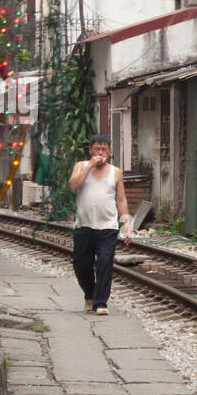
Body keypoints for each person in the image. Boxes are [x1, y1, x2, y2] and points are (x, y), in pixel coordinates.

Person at [68, 134, 131, 315]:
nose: (100, 153)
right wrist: (89, 166)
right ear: (90, 150)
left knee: (104, 263)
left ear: (110, 152)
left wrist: (126, 225)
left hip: (108, 226)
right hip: (83, 225)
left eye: (104, 150)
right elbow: (74, 185)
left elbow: (121, 200)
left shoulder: (116, 172)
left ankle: (100, 302)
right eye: (97, 149)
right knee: (81, 265)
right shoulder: (81, 166)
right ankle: (90, 294)